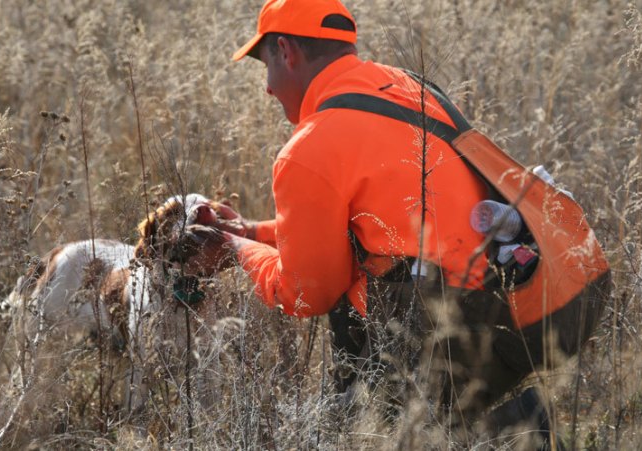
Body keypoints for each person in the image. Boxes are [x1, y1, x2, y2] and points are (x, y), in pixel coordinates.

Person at [177, 0, 606, 447]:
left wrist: (234, 251)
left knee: (369, 437)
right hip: (561, 288)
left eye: (265, 64)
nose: (267, 87)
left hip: (484, 324)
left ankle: (517, 430)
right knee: (361, 324)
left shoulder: (310, 147)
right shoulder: (405, 85)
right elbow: (353, 232)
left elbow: (306, 292)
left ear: (286, 51)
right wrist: (251, 232)